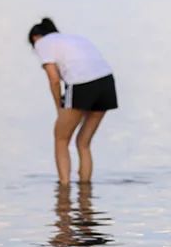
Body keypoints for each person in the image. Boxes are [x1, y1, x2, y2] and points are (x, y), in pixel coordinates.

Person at [28, 18, 118, 186]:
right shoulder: (74, 39)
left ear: (35, 37)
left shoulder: (42, 43)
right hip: (107, 82)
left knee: (60, 138)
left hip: (82, 84)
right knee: (83, 142)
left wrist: (59, 108)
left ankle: (64, 189)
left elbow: (54, 80)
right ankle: (85, 191)